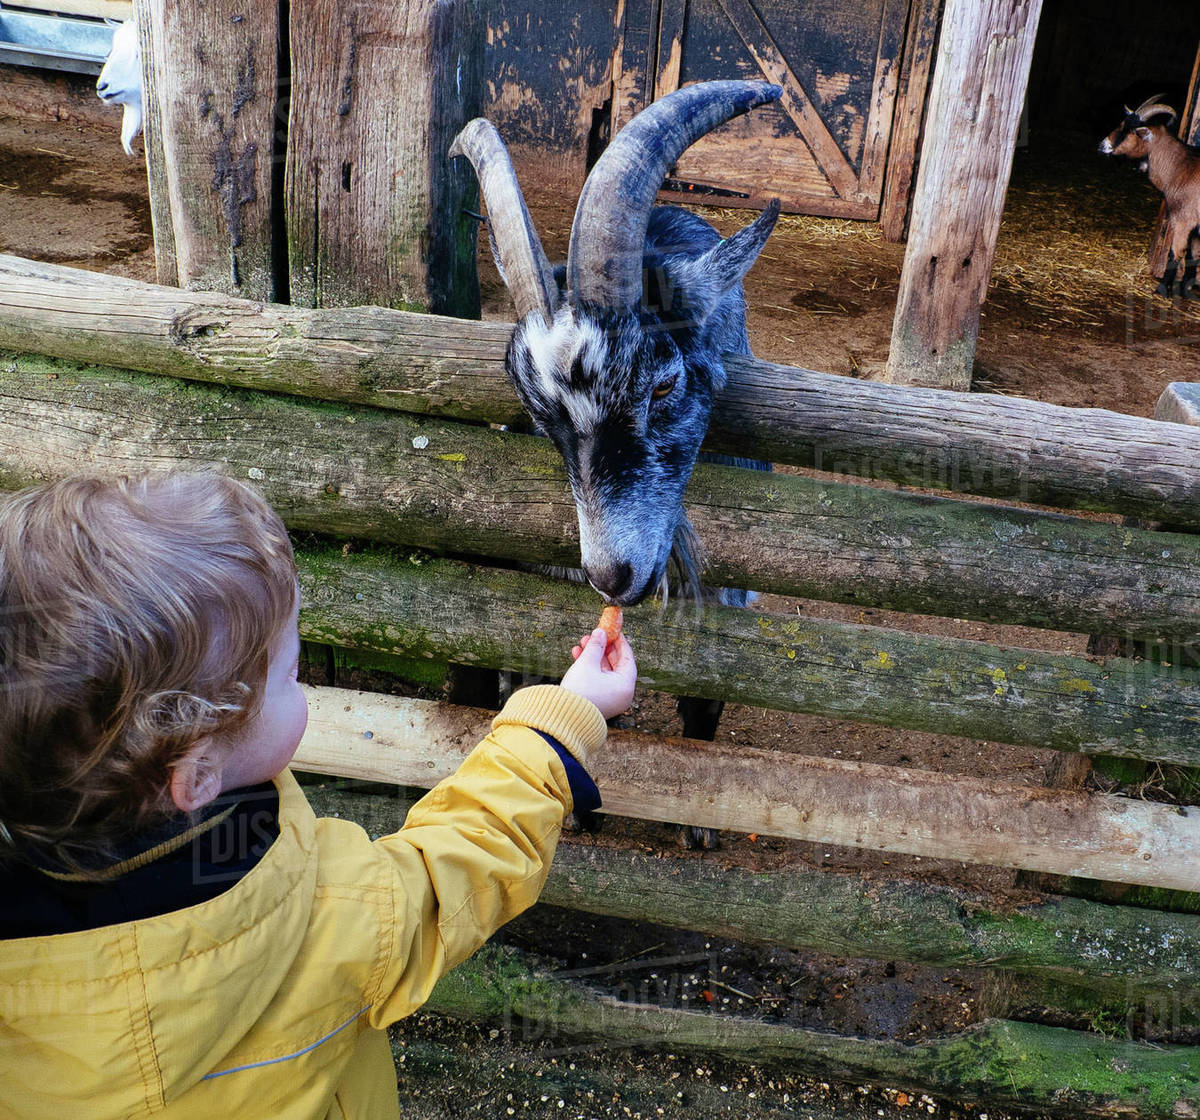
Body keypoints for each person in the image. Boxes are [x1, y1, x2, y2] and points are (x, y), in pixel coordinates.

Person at [0, 471, 636, 1119]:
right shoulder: (328, 921)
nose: (299, 683)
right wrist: (561, 721)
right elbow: (458, 865)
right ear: (195, 777)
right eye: (290, 673)